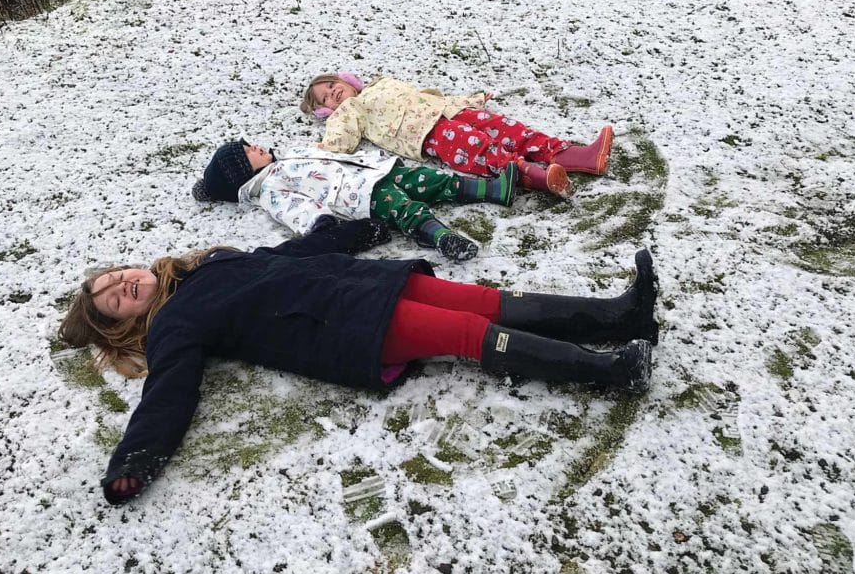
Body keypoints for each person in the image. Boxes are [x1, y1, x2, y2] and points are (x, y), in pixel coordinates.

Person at [57, 218, 660, 505]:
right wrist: (134, 458)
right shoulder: (174, 325)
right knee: (470, 332)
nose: (123, 285)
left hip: (360, 284)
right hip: (343, 325)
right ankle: (611, 371)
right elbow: (168, 391)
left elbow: (288, 253)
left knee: (488, 301)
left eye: (117, 276)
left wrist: (345, 232)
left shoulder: (205, 266)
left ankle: (621, 315)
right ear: (122, 324)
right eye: (113, 300)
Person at [191, 138, 520, 262]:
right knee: (405, 208)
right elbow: (295, 210)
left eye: (250, 144)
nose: (255, 147)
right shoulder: (270, 190)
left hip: (377, 171)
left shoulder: (287, 156)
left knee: (433, 180)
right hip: (358, 196)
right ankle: (441, 237)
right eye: (248, 153)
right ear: (243, 173)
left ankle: (493, 190)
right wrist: (321, 223)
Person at [299, 73, 615, 198]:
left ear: (347, 80)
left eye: (332, 85)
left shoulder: (380, 84)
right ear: (326, 111)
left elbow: (422, 96)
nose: (332, 93)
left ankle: (574, 155)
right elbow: (340, 139)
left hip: (447, 110)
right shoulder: (348, 110)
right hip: (424, 132)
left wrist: (469, 101)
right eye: (325, 98)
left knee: (505, 127)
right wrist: (323, 146)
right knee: (479, 148)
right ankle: (533, 175)